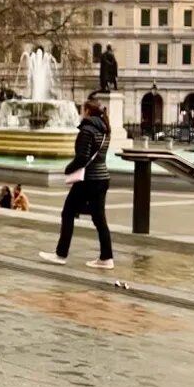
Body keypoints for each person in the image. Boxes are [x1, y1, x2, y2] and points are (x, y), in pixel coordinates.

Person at [40, 100, 114, 269]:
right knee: (99, 218)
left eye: (83, 110)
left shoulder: (87, 130)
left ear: (87, 111)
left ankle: (61, 254)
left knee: (68, 213)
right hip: (102, 178)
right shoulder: (105, 130)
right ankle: (106, 257)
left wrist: (68, 169)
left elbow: (82, 157)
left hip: (88, 180)